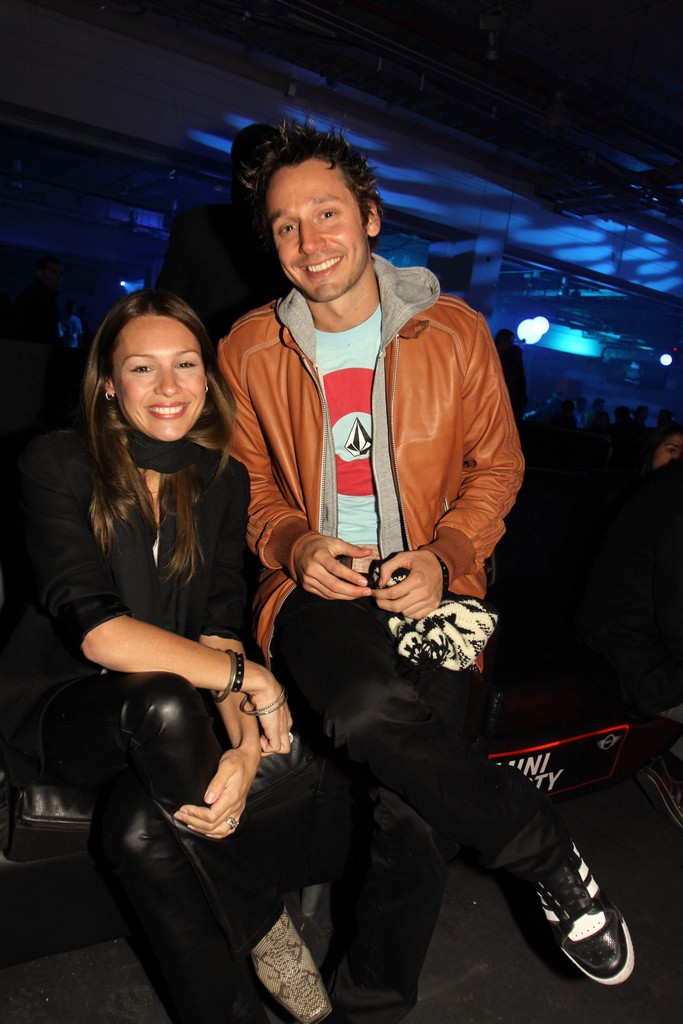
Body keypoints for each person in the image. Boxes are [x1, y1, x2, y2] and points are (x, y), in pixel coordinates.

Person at [218, 121, 634, 1023]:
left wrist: (445, 557)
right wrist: (293, 545)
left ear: (369, 216)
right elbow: (246, 489)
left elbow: (498, 467)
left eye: (326, 213)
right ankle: (542, 849)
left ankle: (367, 1012)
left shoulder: (454, 332)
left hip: (435, 593)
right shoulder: (246, 349)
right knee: (365, 709)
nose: (308, 241)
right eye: (285, 225)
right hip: (315, 591)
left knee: (416, 819)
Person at [0, 289, 337, 1024]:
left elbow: (219, 630)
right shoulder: (57, 462)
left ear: (207, 378)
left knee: (140, 827)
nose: (168, 386)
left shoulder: (221, 479)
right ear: (108, 383)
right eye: (141, 367)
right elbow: (99, 632)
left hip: (172, 722)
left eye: (185, 364)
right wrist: (256, 682)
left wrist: (242, 750)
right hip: (66, 711)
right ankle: (263, 920)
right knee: (159, 699)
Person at [576, 461, 683, 830]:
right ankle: (675, 769)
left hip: (635, 635)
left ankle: (673, 763)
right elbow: (678, 625)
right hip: (631, 650)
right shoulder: (676, 500)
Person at [156, 123, 288, 343]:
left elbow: (164, 311)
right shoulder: (195, 227)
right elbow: (164, 310)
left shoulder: (194, 226)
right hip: (224, 356)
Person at [11, 254, 64, 345]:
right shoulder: (33, 298)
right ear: (40, 273)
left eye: (61, 273)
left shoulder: (47, 298)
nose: (59, 276)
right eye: (54, 272)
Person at [494, 327, 528, 423]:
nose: (511, 344)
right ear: (503, 341)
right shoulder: (512, 358)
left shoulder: (509, 358)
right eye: (510, 342)